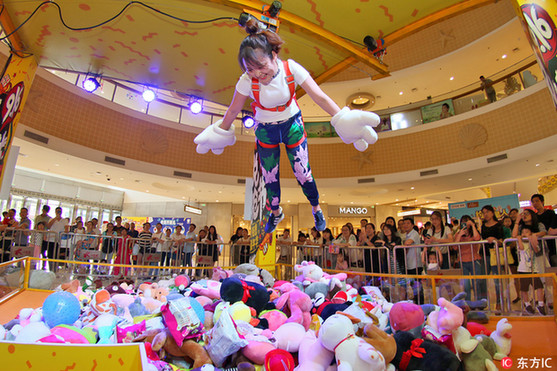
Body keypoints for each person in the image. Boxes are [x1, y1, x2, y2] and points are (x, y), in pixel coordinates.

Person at [193, 18, 380, 235]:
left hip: (292, 124)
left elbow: (319, 97)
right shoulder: (246, 80)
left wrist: (340, 116)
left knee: (303, 172)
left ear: (273, 55)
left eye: (262, 68)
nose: (258, 75)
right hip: (265, 128)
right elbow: (233, 110)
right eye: (251, 70)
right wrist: (220, 131)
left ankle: (316, 207)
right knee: (269, 176)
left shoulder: (291, 68)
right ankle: (275, 212)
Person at [454, 215, 487, 301]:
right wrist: (460, 235)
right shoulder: (458, 234)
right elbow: (454, 247)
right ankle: (467, 302)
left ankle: (478, 302)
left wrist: (472, 225)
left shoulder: (474, 232)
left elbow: (477, 238)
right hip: (463, 261)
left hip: (474, 260)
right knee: (466, 285)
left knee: (476, 283)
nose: (465, 224)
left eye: (467, 222)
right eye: (463, 222)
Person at [517, 225, 546, 315]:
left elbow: (536, 250)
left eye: (526, 232)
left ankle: (541, 304)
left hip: (534, 269)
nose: (524, 234)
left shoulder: (533, 240)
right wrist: (519, 239)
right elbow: (521, 248)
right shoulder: (521, 242)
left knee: (539, 286)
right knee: (524, 288)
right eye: (523, 232)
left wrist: (532, 239)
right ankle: (527, 304)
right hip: (523, 269)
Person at [531, 194, 556, 264]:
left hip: (551, 241)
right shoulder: (534, 216)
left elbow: (553, 225)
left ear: (542, 202)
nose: (535, 203)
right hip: (540, 243)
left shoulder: (550, 213)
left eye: (536, 201)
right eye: (533, 202)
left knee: (553, 261)